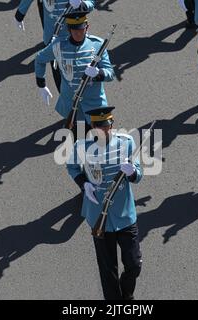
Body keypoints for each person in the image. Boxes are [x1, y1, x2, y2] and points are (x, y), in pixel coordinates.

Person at [66, 107, 143, 300]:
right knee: (108, 272)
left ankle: (127, 293)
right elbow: (72, 166)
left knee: (134, 264)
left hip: (125, 215)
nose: (103, 130)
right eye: (99, 126)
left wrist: (132, 171)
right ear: (93, 126)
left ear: (112, 124)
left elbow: (138, 174)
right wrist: (84, 184)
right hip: (99, 216)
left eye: (107, 125)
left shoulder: (126, 143)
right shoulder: (81, 146)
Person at [35, 9, 114, 137]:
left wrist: (98, 73)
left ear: (87, 27)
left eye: (81, 29)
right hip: (71, 104)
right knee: (78, 144)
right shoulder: (58, 46)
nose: (78, 33)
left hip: (95, 105)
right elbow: (39, 59)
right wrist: (41, 83)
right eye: (74, 29)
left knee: (102, 142)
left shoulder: (98, 45)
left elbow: (110, 74)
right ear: (68, 29)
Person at [14, 0, 96, 91]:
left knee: (81, 75)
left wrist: (83, 4)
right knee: (59, 78)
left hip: (77, 38)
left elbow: (91, 2)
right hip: (52, 37)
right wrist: (20, 14)